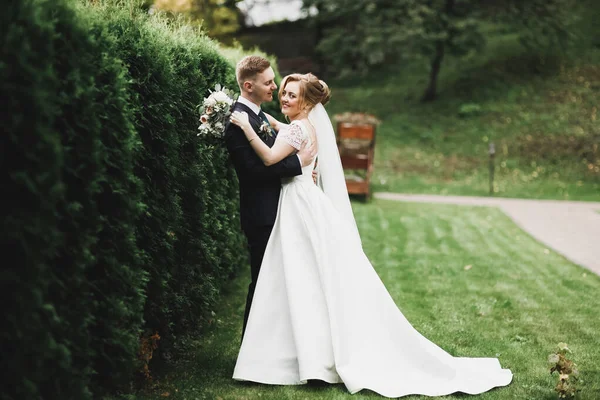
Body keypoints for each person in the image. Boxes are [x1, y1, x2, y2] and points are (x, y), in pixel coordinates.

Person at [228, 72, 513, 398]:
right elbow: (285, 135)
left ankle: (299, 357)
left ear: (305, 102)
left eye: (292, 95)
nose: (284, 98)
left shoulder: (296, 128)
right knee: (307, 277)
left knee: (298, 276)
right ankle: (308, 356)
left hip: (296, 205)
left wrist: (248, 127)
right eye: (285, 93)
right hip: (306, 200)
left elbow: (267, 158)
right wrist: (269, 122)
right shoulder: (308, 127)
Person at [224, 56, 317, 338]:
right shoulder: (238, 123)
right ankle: (252, 346)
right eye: (268, 82)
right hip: (262, 214)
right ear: (249, 85)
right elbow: (253, 172)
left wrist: (303, 169)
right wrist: (299, 165)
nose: (274, 87)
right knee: (263, 282)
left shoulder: (259, 116)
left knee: (279, 281)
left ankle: (277, 343)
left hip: (282, 207)